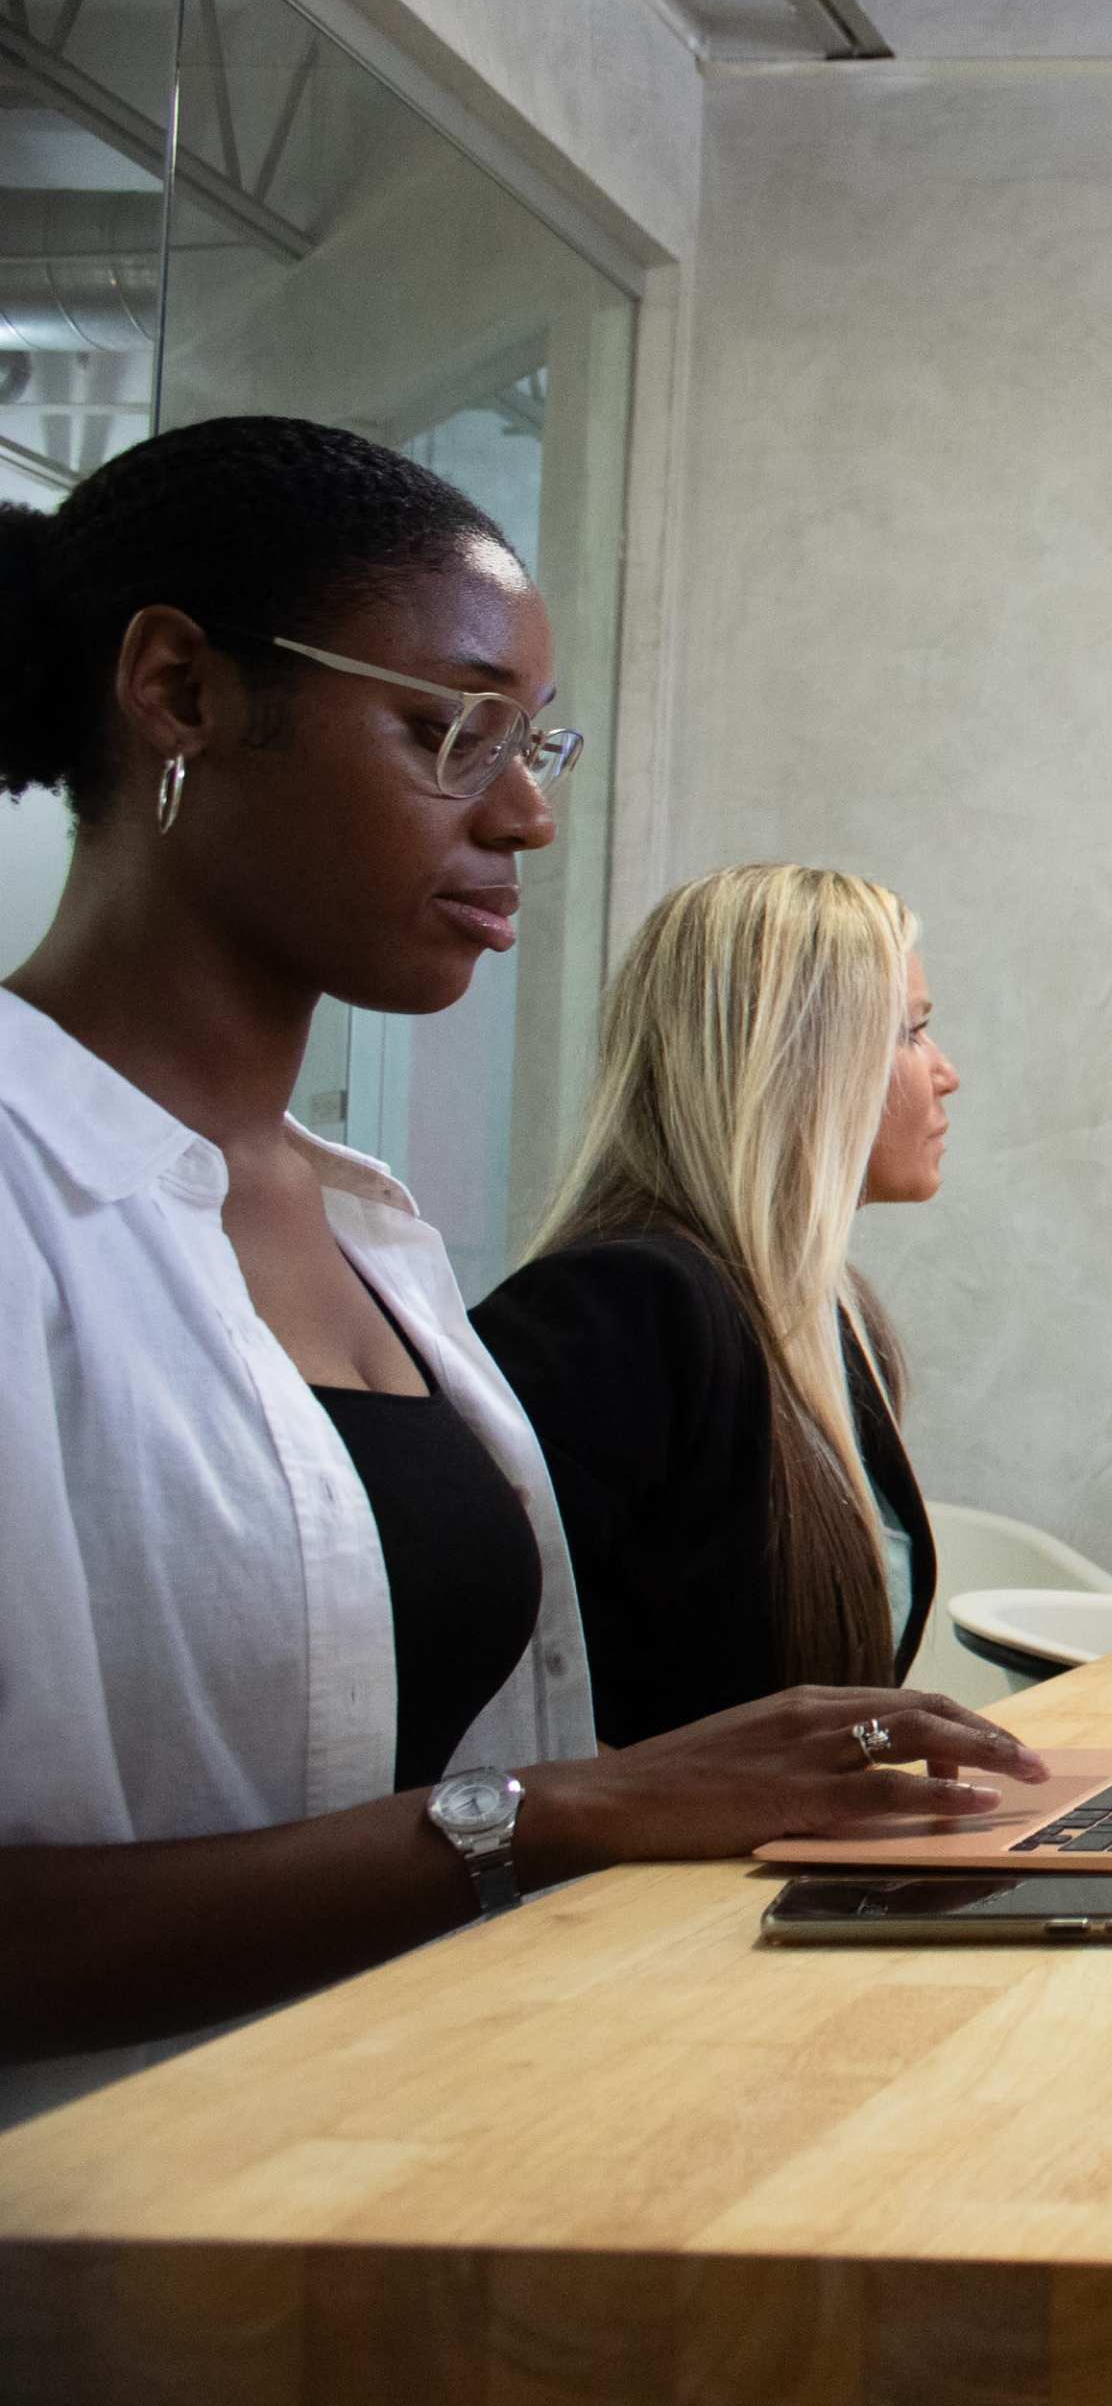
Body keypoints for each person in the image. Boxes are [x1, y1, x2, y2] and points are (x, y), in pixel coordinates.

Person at [0, 416, 1044, 2129]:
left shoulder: (370, 1230)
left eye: (532, 740)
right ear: (179, 693)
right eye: (447, 731)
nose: (530, 813)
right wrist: (561, 1808)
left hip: (405, 2172)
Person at [477, 866, 962, 1746]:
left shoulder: (832, 1317)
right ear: (795, 1061)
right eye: (911, 1034)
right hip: (635, 1886)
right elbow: (494, 1726)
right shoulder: (619, 1313)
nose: (946, 1074)